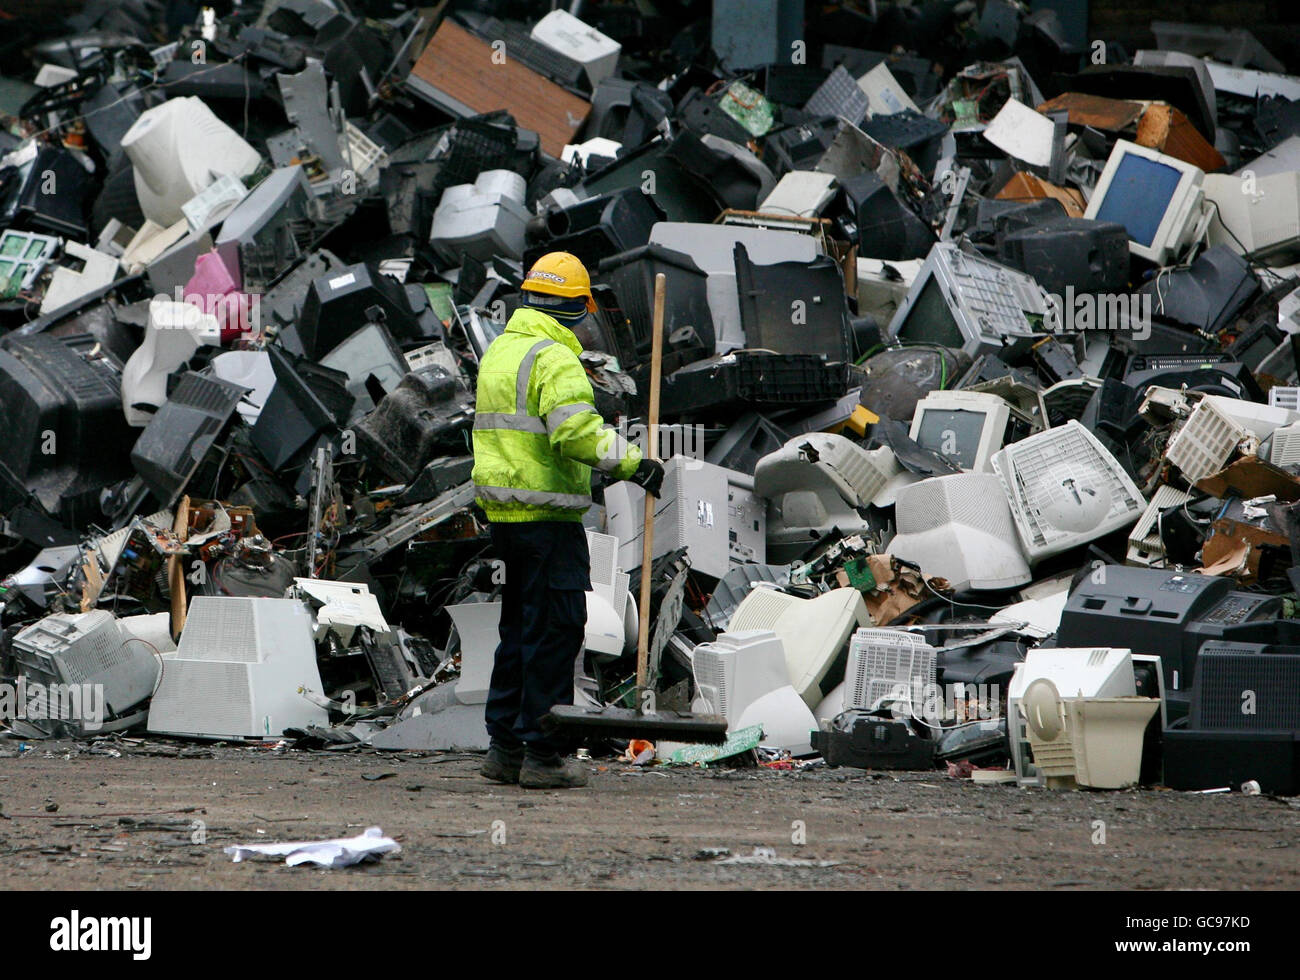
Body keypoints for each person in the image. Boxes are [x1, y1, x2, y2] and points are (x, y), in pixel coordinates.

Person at [471, 251, 665, 789]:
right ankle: (544, 755)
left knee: (519, 630)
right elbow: (575, 434)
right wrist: (636, 463)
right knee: (556, 632)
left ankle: (504, 749)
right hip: (548, 519)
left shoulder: (500, 352)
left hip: (506, 518)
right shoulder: (555, 359)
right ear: (580, 307)